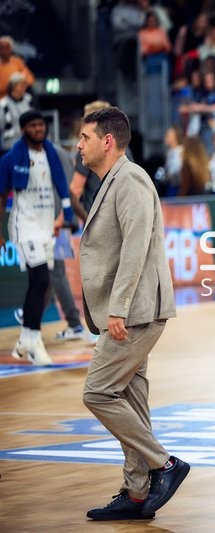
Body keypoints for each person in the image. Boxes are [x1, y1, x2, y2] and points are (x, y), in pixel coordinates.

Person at [77, 106, 190, 519]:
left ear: (108, 141)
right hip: (128, 310)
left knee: (98, 392)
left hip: (136, 311)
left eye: (85, 137)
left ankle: (165, 465)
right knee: (130, 398)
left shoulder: (130, 178)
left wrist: (118, 308)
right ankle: (137, 492)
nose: (78, 144)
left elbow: (136, 245)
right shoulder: (111, 182)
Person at [0, 110, 73, 365]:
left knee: (39, 285)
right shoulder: (11, 159)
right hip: (24, 226)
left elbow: (63, 185)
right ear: (23, 129)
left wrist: (67, 212)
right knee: (41, 278)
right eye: (32, 125)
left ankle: (25, 340)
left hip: (45, 226)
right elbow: (1, 195)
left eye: (41, 125)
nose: (38, 129)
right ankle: (35, 342)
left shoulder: (51, 154)